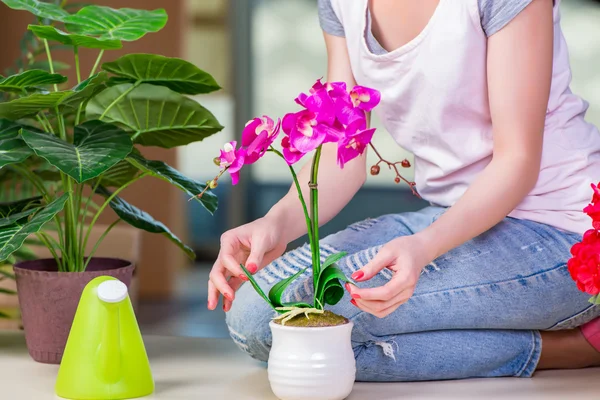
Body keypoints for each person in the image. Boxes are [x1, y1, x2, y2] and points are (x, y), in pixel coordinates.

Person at [208, 0, 600, 381]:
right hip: (453, 216)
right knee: (253, 315)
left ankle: (568, 348)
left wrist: (425, 247)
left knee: (294, 335)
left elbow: (517, 163)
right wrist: (276, 223)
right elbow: (340, 160)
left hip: (562, 231)